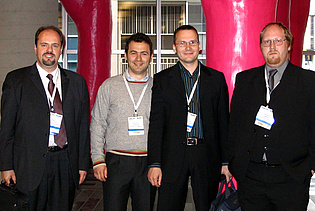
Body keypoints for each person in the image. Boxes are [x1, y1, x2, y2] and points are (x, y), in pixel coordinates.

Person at [0, 26, 90, 210]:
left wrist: (82, 165)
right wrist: (6, 166)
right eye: (44, 44)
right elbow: (6, 128)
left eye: (55, 45)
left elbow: (82, 128)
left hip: (65, 164)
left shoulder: (77, 82)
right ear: (35, 48)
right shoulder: (16, 80)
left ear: (61, 49)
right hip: (29, 165)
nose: (49, 50)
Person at [228, 22, 315, 210]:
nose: (272, 47)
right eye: (267, 42)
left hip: (291, 177)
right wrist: (232, 161)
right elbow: (234, 125)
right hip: (250, 178)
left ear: (289, 44)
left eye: (278, 40)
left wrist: (310, 165)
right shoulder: (244, 80)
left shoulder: (308, 82)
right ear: (261, 46)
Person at [147, 25, 232, 211]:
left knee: (207, 205)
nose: (188, 47)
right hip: (173, 155)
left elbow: (223, 123)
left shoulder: (216, 79)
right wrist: (155, 163)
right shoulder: (162, 79)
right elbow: (156, 124)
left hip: (206, 154)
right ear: (174, 48)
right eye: (182, 43)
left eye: (192, 42)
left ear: (199, 46)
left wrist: (226, 161)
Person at [90, 32, 155, 211]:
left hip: (147, 162)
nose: (138, 58)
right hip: (116, 162)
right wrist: (97, 159)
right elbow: (97, 123)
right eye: (134, 53)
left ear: (151, 56)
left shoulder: (158, 88)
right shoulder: (109, 86)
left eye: (144, 53)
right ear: (125, 56)